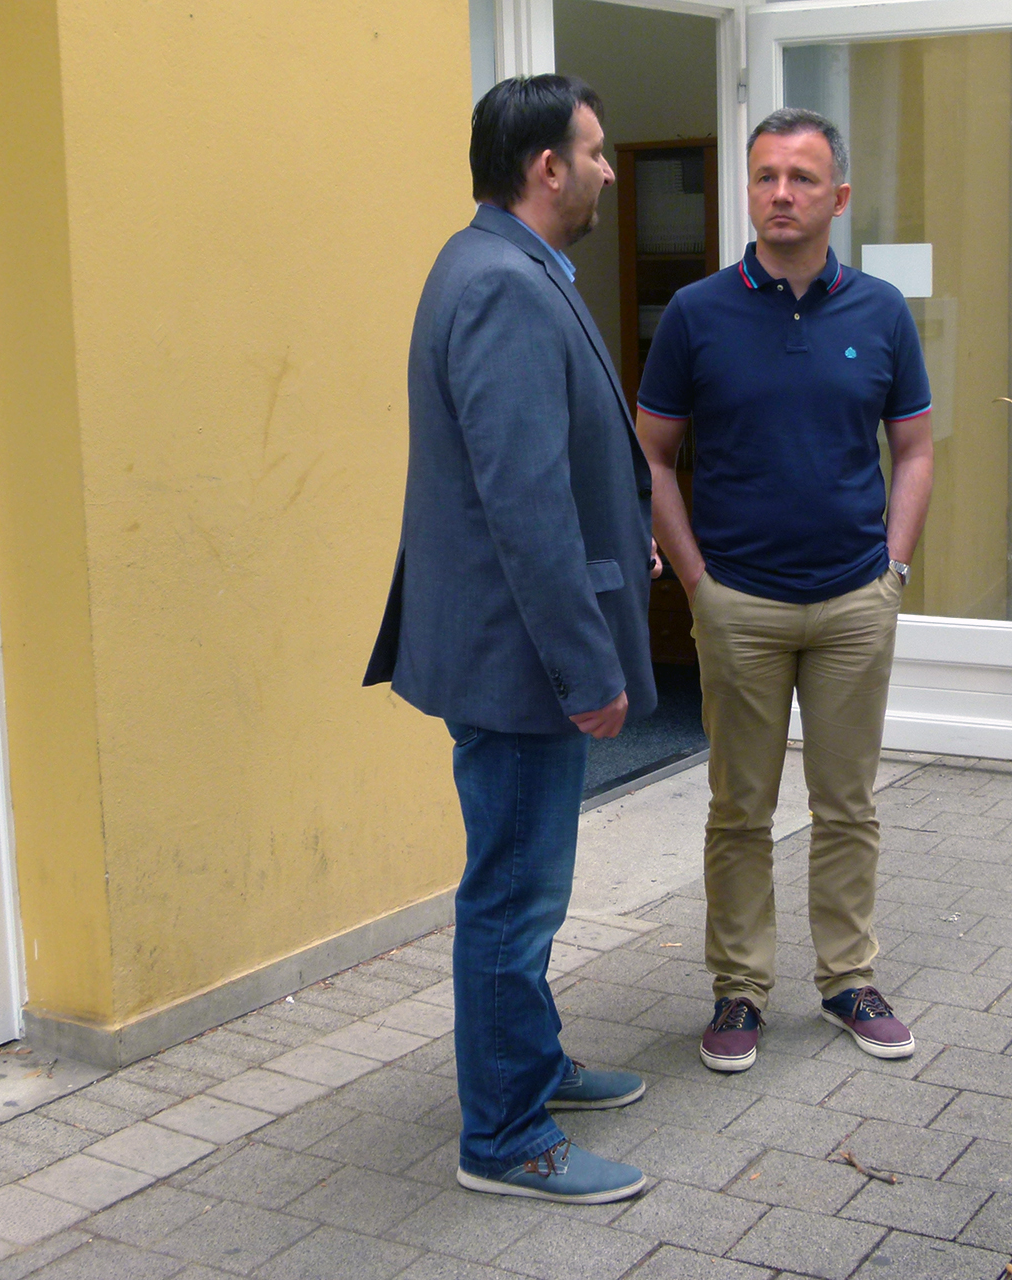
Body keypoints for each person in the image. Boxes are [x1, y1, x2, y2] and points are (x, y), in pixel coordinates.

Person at [363, 74, 658, 1205]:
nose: (607, 171)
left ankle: (530, 1064)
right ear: (547, 167)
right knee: (514, 893)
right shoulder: (501, 284)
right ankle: (505, 1136)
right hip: (521, 661)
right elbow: (522, 502)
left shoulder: (500, 263)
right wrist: (586, 669)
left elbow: (551, 467)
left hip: (509, 646)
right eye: (596, 152)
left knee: (523, 882)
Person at [636, 109, 935, 1075]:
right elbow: (651, 454)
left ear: (837, 196)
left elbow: (915, 449)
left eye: (802, 178)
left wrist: (892, 569)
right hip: (741, 605)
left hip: (853, 603)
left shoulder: (881, 312)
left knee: (848, 807)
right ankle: (740, 988)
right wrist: (696, 582)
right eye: (765, 176)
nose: (781, 194)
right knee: (739, 811)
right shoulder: (697, 314)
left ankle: (848, 979)